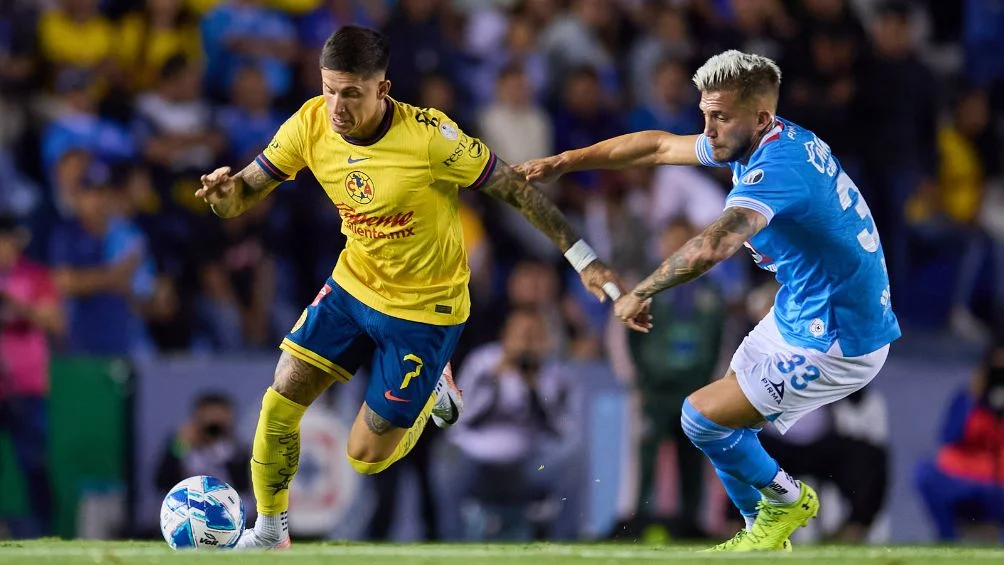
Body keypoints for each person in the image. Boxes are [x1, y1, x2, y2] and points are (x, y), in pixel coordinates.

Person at [195, 25, 621, 549]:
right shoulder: (309, 123)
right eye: (329, 89)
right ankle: (269, 533)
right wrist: (222, 194)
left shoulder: (430, 137)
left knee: (364, 457)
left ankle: (433, 389)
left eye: (351, 93)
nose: (336, 106)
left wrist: (585, 259)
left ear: (384, 90)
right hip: (353, 286)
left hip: (426, 310)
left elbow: (512, 188)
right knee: (280, 397)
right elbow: (241, 197)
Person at [517, 49, 902, 551]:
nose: (708, 128)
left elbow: (714, 246)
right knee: (719, 428)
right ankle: (764, 536)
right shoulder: (761, 136)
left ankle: (787, 501)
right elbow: (656, 145)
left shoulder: (777, 169)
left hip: (839, 335)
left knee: (700, 417)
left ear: (760, 117)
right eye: (705, 114)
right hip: (800, 312)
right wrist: (566, 161)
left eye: (719, 117)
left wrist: (642, 290)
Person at [0, 215, 64, 537]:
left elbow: (55, 323)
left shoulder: (34, 276)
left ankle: (43, 531)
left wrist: (16, 306)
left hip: (26, 386)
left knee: (34, 463)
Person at [915, 341, 1004, 543]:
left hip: (999, 482)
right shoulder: (969, 397)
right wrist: (974, 397)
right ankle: (948, 542)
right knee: (926, 474)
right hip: (964, 478)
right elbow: (950, 436)